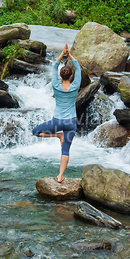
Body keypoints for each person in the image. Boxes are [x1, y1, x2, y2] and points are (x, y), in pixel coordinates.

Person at [32, 43, 81, 183]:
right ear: (71, 76)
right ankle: (60, 176)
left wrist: (62, 54)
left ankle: (57, 135)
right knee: (65, 150)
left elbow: (54, 66)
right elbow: (78, 68)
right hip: (71, 122)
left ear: (60, 75)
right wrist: (70, 55)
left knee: (35, 131)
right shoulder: (76, 85)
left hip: (56, 121)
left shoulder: (55, 84)